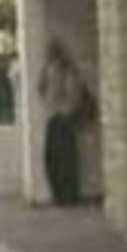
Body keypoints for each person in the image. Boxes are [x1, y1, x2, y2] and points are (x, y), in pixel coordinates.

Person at [38, 40, 87, 205]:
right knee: (61, 159)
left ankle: (64, 195)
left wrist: (64, 108)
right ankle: (64, 195)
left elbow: (67, 93)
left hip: (60, 117)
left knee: (60, 159)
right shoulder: (62, 70)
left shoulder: (63, 70)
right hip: (60, 116)